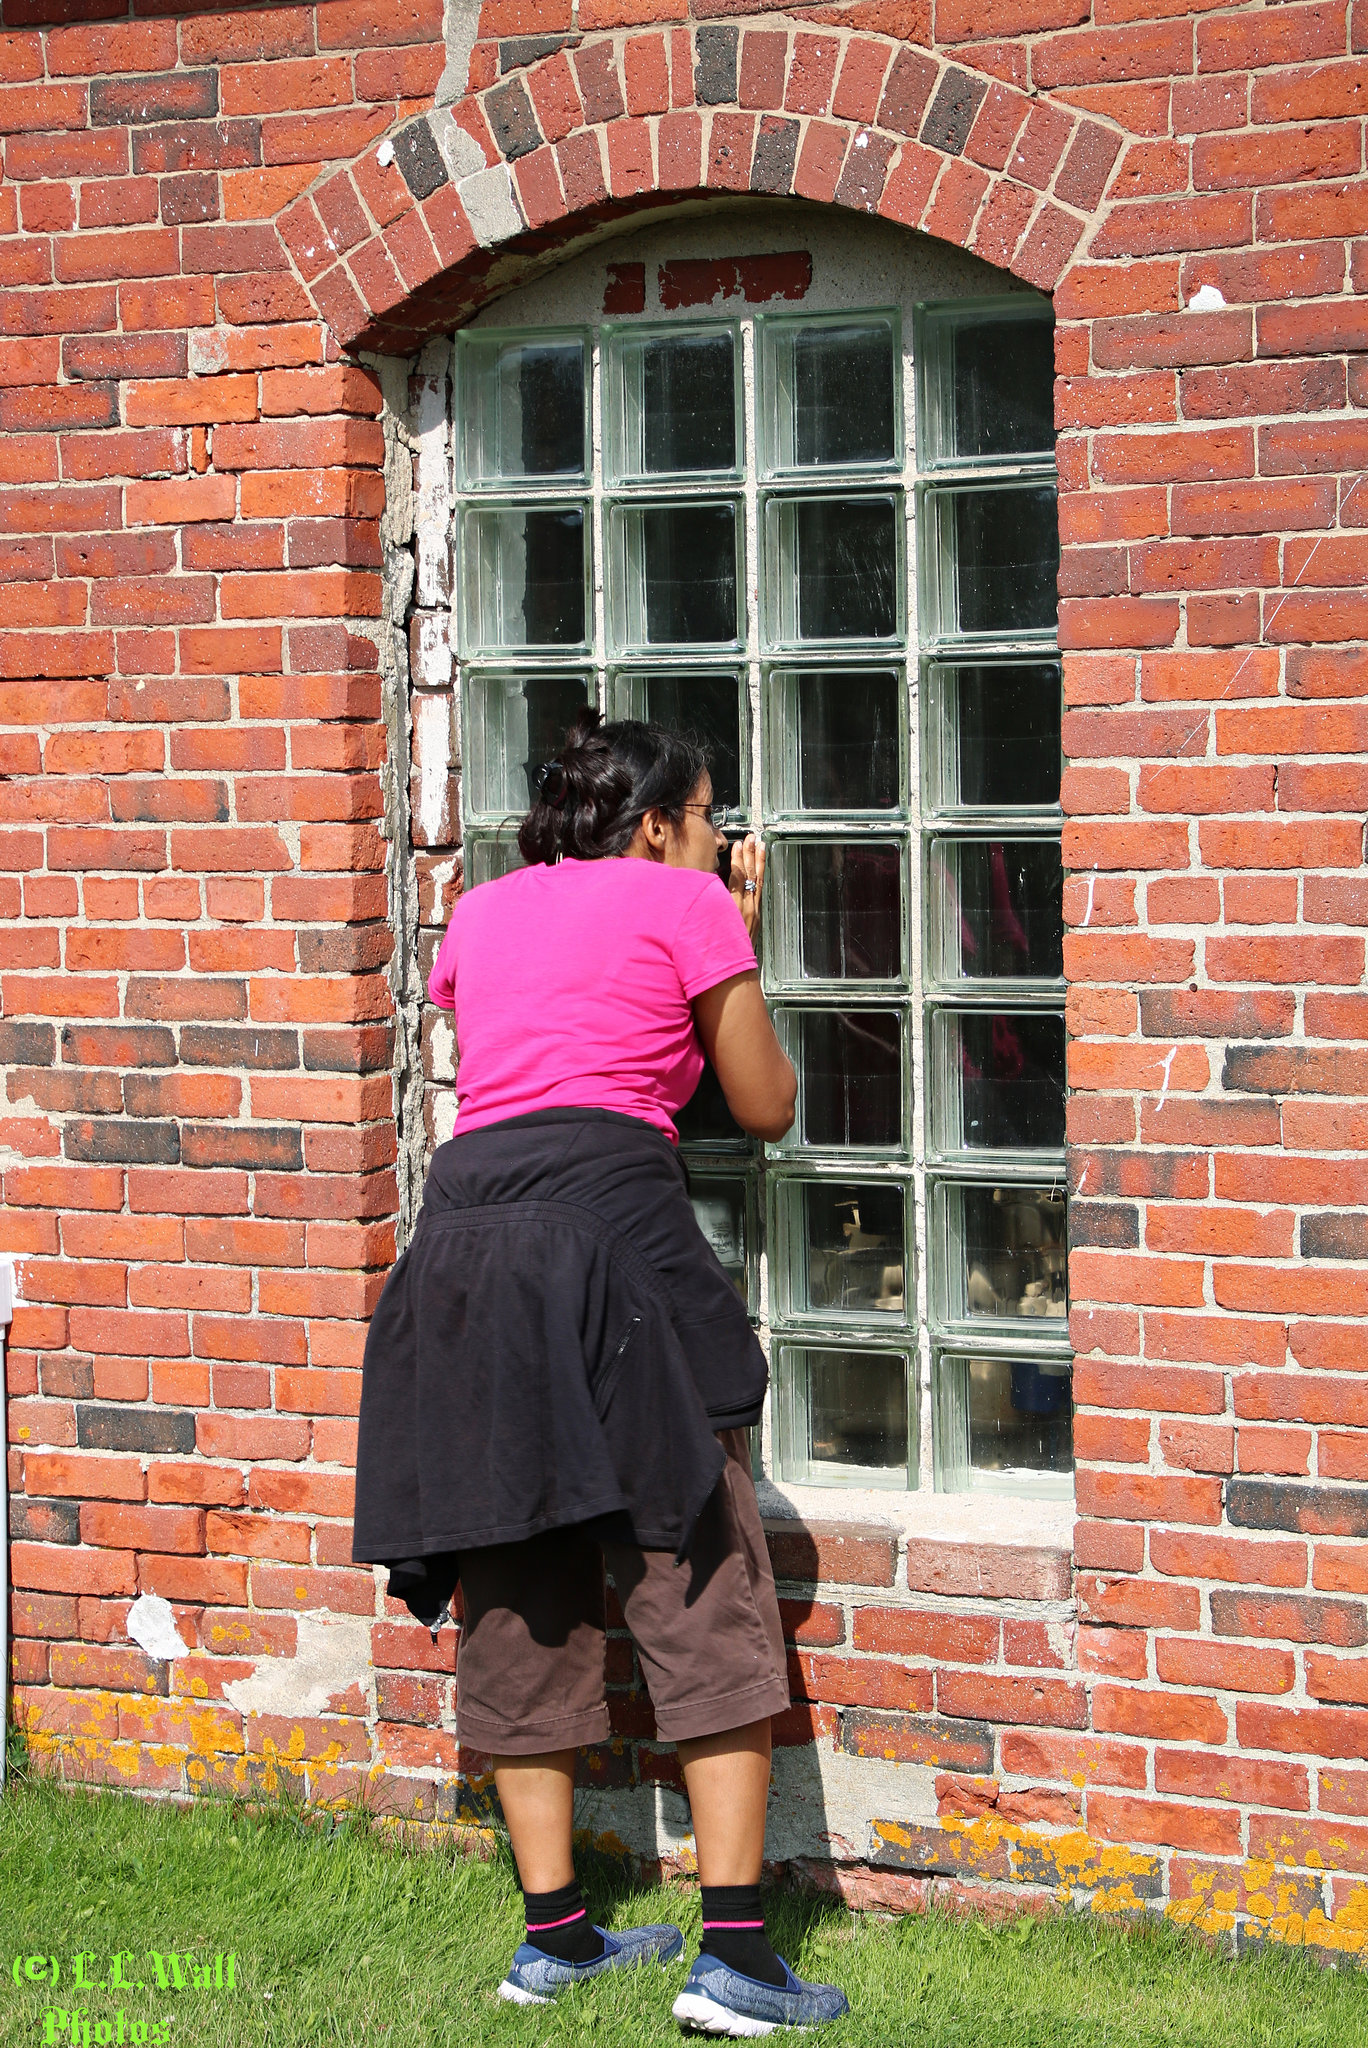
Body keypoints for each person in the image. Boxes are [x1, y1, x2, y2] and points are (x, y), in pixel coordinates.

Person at [352, 710, 850, 2035]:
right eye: (706, 818)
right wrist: (731, 925)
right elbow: (761, 1104)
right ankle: (738, 1960)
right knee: (698, 1573)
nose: (717, 839)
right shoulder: (688, 903)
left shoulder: (485, 912)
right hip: (608, 1232)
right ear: (659, 824)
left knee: (515, 1580)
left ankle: (554, 1940)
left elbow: (553, 1052)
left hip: (462, 1244)